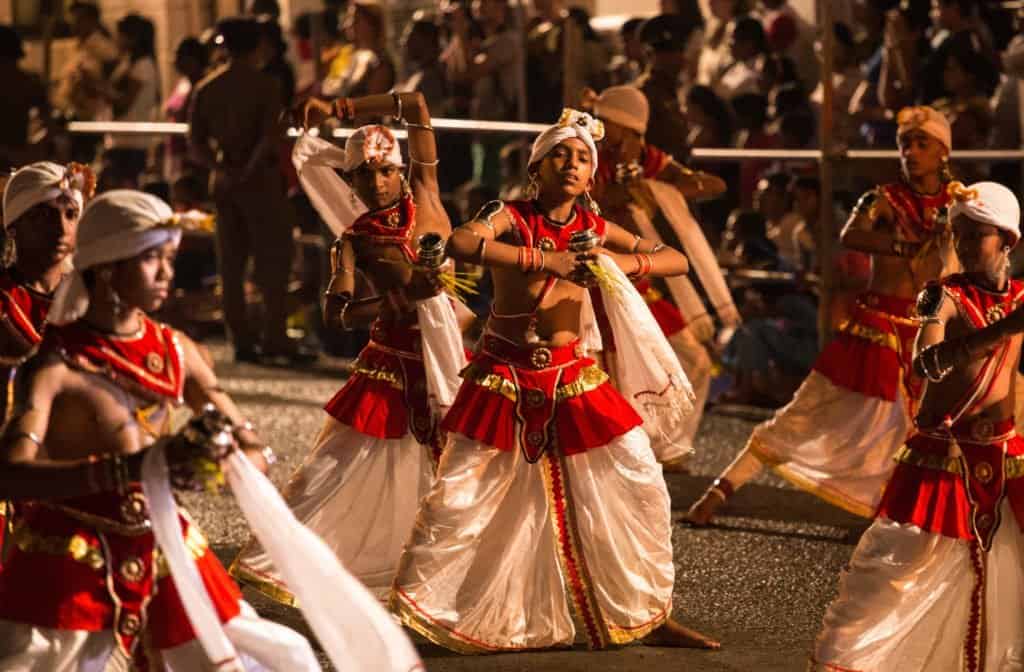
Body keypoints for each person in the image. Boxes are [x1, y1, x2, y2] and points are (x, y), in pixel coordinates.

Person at [391, 108, 719, 652]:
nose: (571, 164)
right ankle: (424, 614)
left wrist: (615, 264)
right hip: (504, 376)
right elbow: (463, 243)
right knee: (462, 499)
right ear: (536, 169)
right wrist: (548, 261)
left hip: (573, 375)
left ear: (591, 175)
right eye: (559, 155)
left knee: (639, 481)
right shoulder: (511, 215)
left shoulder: (595, 229)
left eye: (583, 158)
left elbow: (675, 260)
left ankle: (648, 613)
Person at [0, 189, 319, 670]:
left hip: (167, 546)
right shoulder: (53, 365)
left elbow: (249, 444)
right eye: (151, 258)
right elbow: (10, 475)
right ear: (107, 267)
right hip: (69, 559)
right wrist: (132, 469)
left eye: (170, 258)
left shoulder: (177, 350)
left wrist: (219, 460)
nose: (168, 272)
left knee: (277, 656)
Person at [231, 91, 467, 604]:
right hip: (390, 364)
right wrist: (394, 302)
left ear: (401, 170)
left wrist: (337, 109)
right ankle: (276, 555)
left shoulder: (427, 196)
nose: (377, 183)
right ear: (350, 181)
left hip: (451, 361)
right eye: (364, 175)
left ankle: (441, 582)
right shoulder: (355, 240)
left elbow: (417, 105)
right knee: (333, 468)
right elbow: (336, 315)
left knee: (457, 474)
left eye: (385, 171)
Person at [688, 105, 957, 524]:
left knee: (926, 428)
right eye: (906, 144)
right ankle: (719, 491)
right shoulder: (883, 199)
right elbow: (852, 234)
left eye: (922, 144)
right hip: (875, 329)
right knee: (807, 412)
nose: (911, 152)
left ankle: (911, 520)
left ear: (943, 152)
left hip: (926, 331)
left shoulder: (957, 203)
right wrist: (904, 247)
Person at [811, 181, 1024, 672]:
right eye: (959, 233)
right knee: (890, 577)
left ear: (1008, 241)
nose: (963, 244)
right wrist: (1002, 330)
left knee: (1003, 582)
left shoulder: (1018, 298)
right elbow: (926, 361)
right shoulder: (941, 294)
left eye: (978, 235)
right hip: (942, 456)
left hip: (1004, 456)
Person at [590, 85, 735, 471]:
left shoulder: (648, 160)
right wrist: (620, 194)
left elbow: (713, 185)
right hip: (598, 284)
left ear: (628, 128)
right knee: (610, 372)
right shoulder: (589, 157)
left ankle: (667, 448)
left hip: (640, 286)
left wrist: (658, 190)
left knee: (696, 360)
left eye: (607, 122)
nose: (600, 128)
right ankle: (619, 450)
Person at [189, 17, 313, 365]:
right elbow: (270, 135)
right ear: (256, 45)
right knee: (274, 260)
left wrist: (222, 168)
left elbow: (195, 143)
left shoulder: (207, 87)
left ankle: (240, 337)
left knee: (231, 263)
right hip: (261, 182)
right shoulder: (266, 85)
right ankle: (275, 335)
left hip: (223, 182)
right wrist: (247, 169)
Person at [0, 162, 90, 569]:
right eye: (43, 215)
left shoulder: (95, 301)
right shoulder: (5, 300)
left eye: (70, 214)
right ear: (13, 226)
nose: (60, 228)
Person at [100, 14, 159, 187]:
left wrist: (98, 88)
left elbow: (125, 102)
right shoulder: (127, 62)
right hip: (119, 138)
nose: (117, 39)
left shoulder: (143, 65)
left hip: (132, 141)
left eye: (121, 35)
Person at [634, 14, 696, 162]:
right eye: (667, 53)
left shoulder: (678, 89)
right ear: (650, 55)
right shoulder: (643, 94)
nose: (677, 59)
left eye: (679, 51)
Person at [0, 26, 52, 173]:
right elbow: (49, 124)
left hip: (14, 161)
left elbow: (49, 124)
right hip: (16, 160)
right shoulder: (29, 83)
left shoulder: (29, 84)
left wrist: (30, 152)